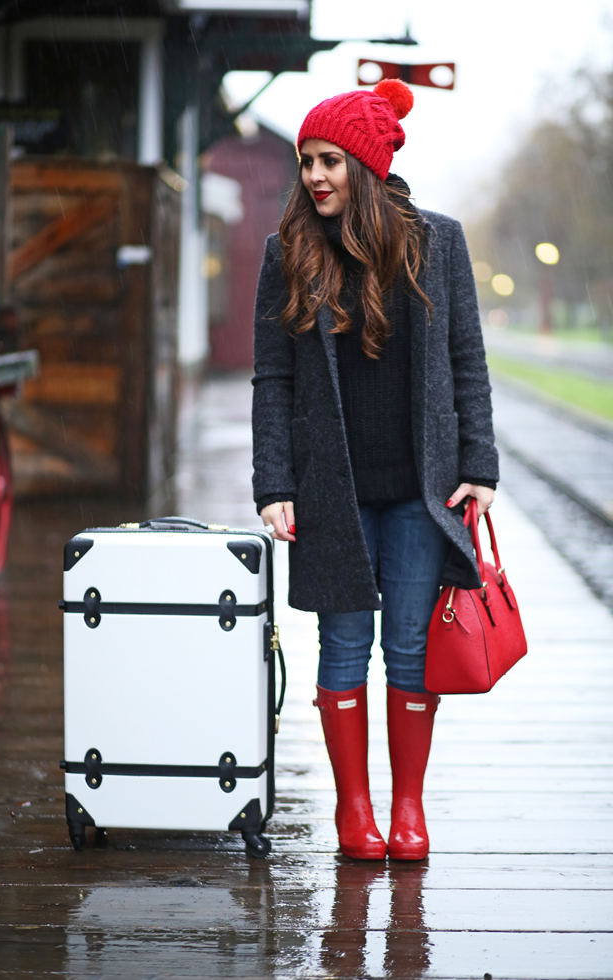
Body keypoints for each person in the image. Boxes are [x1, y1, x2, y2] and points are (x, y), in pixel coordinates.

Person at [251, 79, 499, 861]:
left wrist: (479, 468)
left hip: (421, 495)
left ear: (364, 162)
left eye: (328, 160)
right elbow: (273, 379)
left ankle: (409, 809)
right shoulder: (287, 252)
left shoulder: (440, 243)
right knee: (344, 646)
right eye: (306, 162)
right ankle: (354, 813)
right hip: (334, 491)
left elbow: (467, 363)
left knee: (413, 652)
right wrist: (275, 484)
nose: (315, 177)